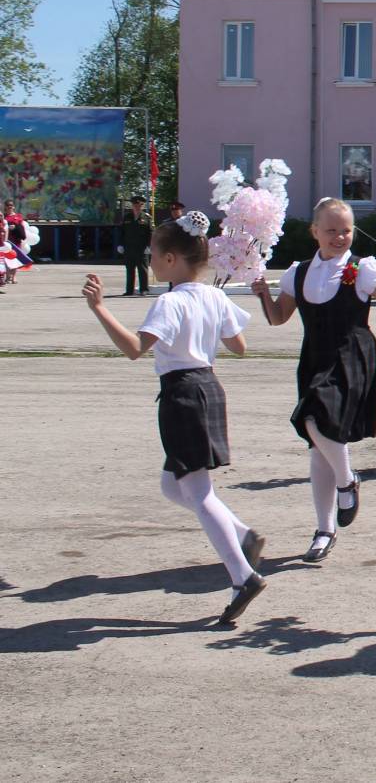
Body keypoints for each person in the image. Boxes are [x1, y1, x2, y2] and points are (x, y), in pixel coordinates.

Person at [81, 211, 267, 625]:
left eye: (152, 253)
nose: (149, 259)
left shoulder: (169, 301)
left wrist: (99, 308)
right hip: (209, 389)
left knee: (198, 492)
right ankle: (243, 536)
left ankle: (242, 575)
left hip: (182, 394)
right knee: (173, 485)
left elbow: (134, 348)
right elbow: (239, 347)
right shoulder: (215, 297)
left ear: (170, 260)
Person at [251, 198, 376, 563]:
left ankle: (347, 480)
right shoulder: (299, 272)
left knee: (312, 417)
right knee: (318, 443)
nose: (340, 237)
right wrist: (263, 295)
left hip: (352, 354)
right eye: (331, 230)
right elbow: (278, 317)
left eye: (346, 230)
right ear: (315, 232)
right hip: (315, 357)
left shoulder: (363, 269)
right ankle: (324, 529)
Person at [119, 197, 152, 296]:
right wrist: (120, 244)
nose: (137, 207)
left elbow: (150, 233)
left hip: (142, 248)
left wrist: (149, 246)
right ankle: (129, 290)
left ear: (142, 206)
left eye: (139, 205)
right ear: (132, 206)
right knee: (130, 269)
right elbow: (122, 232)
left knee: (143, 270)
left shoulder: (147, 217)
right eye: (135, 205)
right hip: (129, 248)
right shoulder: (127, 217)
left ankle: (144, 289)